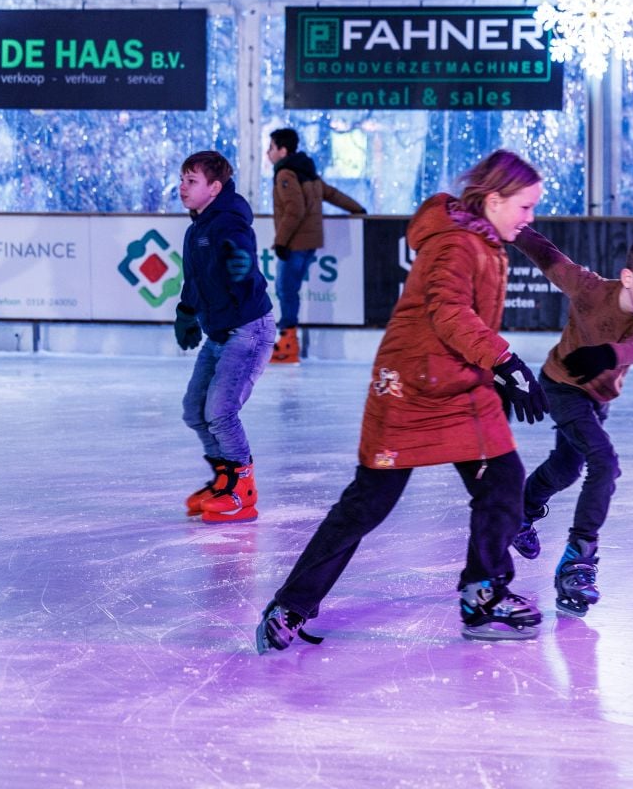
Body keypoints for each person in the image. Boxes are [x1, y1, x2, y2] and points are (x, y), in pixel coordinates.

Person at [256, 150, 549, 650]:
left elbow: (463, 325)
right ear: (495, 200)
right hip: (411, 387)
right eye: (525, 206)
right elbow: (448, 313)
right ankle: (291, 605)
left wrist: (490, 369)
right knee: (369, 503)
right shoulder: (457, 244)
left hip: (460, 384)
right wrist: (504, 361)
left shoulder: (483, 241)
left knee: (503, 482)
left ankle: (484, 593)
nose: (531, 218)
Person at [508, 227, 633, 617]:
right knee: (604, 462)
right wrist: (515, 229)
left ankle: (521, 510)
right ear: (628, 278)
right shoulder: (589, 288)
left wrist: (606, 354)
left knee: (566, 469)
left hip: (596, 399)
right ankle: (578, 559)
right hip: (560, 386)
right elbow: (549, 257)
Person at [175, 150, 275, 522]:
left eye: (192, 181)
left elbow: (242, 251)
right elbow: (195, 280)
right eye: (183, 179)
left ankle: (242, 488)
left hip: (250, 330)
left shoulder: (229, 222)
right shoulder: (195, 229)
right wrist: (186, 312)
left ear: (214, 188)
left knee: (220, 411)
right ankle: (223, 477)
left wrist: (244, 266)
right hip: (219, 333)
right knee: (194, 411)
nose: (182, 187)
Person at [266, 128, 367, 364]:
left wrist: (281, 241)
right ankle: (289, 340)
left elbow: (295, 209)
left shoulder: (286, 175)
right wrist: (357, 208)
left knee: (286, 290)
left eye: (271, 148)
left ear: (282, 150)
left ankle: (288, 343)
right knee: (289, 290)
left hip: (295, 242)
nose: (267, 153)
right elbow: (331, 193)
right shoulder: (306, 171)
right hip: (308, 242)